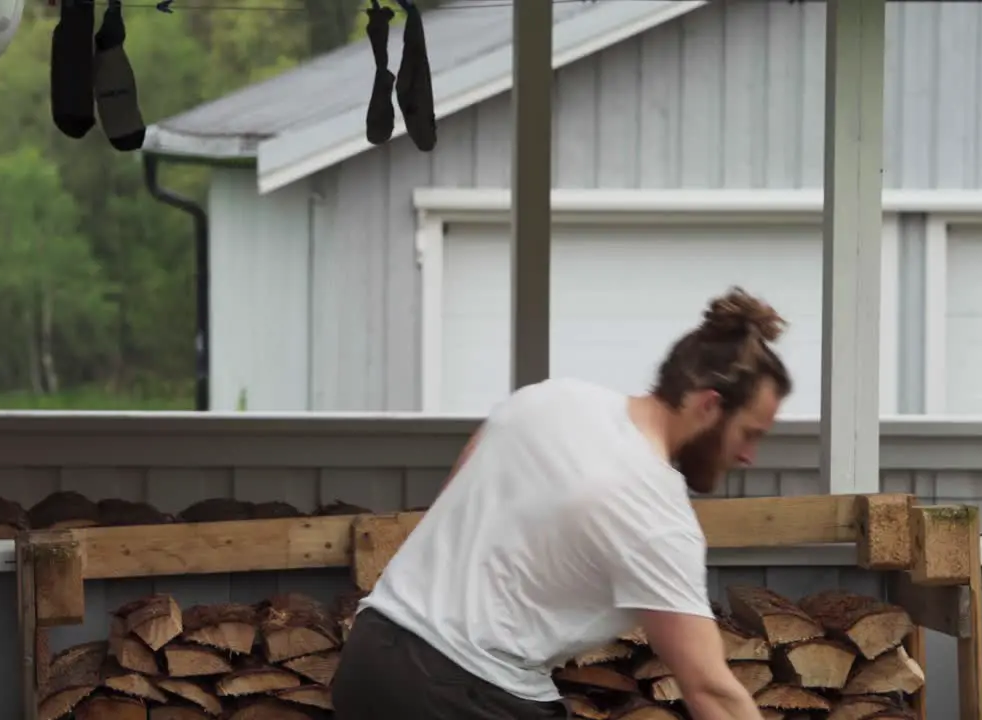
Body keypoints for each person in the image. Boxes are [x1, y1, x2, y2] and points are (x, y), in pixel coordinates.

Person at [332, 287, 793, 720]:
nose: (749, 456)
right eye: (749, 433)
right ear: (709, 406)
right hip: (463, 693)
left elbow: (454, 501)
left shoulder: (548, 399)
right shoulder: (655, 511)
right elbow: (711, 690)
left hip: (371, 656)